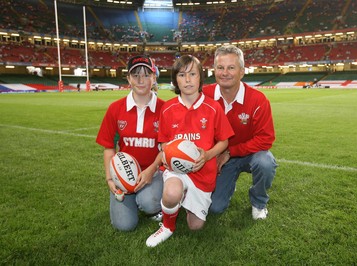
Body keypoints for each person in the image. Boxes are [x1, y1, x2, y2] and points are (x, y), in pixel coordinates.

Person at [146, 55, 234, 247]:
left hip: (203, 173)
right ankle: (168, 226)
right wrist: (169, 153)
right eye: (182, 74)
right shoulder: (168, 109)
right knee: (171, 193)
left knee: (196, 226)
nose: (187, 79)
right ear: (175, 80)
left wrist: (208, 155)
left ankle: (184, 200)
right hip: (176, 170)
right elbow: (163, 144)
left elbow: (224, 141)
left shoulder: (213, 107)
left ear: (200, 78)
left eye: (192, 74)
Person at [203, 45, 278, 220]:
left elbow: (266, 139)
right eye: (220, 68)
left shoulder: (258, 100)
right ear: (214, 70)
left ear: (242, 72)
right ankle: (228, 183)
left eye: (231, 67)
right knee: (215, 208)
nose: (225, 73)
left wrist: (231, 152)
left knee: (265, 162)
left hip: (249, 154)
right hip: (219, 156)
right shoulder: (204, 95)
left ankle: (259, 203)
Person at [96, 55, 165, 231]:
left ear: (154, 77)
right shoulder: (115, 109)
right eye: (135, 75)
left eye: (146, 74)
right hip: (124, 173)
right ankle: (133, 198)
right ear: (128, 79)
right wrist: (110, 178)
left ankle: (152, 205)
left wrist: (151, 170)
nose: (141, 80)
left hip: (154, 173)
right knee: (124, 226)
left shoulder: (165, 109)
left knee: (149, 202)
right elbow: (109, 147)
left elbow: (167, 149)